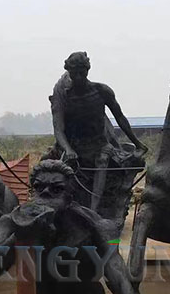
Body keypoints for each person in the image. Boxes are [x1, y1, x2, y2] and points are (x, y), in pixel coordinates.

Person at [0, 160, 141, 294]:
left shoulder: (96, 225)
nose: (45, 193)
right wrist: (22, 233)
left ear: (70, 196)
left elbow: (114, 264)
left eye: (56, 189)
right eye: (39, 187)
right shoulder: (12, 220)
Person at [48, 52, 147, 211]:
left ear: (88, 70)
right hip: (75, 148)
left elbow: (120, 118)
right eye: (75, 73)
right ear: (69, 72)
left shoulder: (101, 91)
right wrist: (68, 149)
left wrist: (137, 143)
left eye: (82, 72)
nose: (79, 77)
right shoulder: (64, 98)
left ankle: (93, 211)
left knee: (102, 160)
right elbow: (58, 129)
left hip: (100, 146)